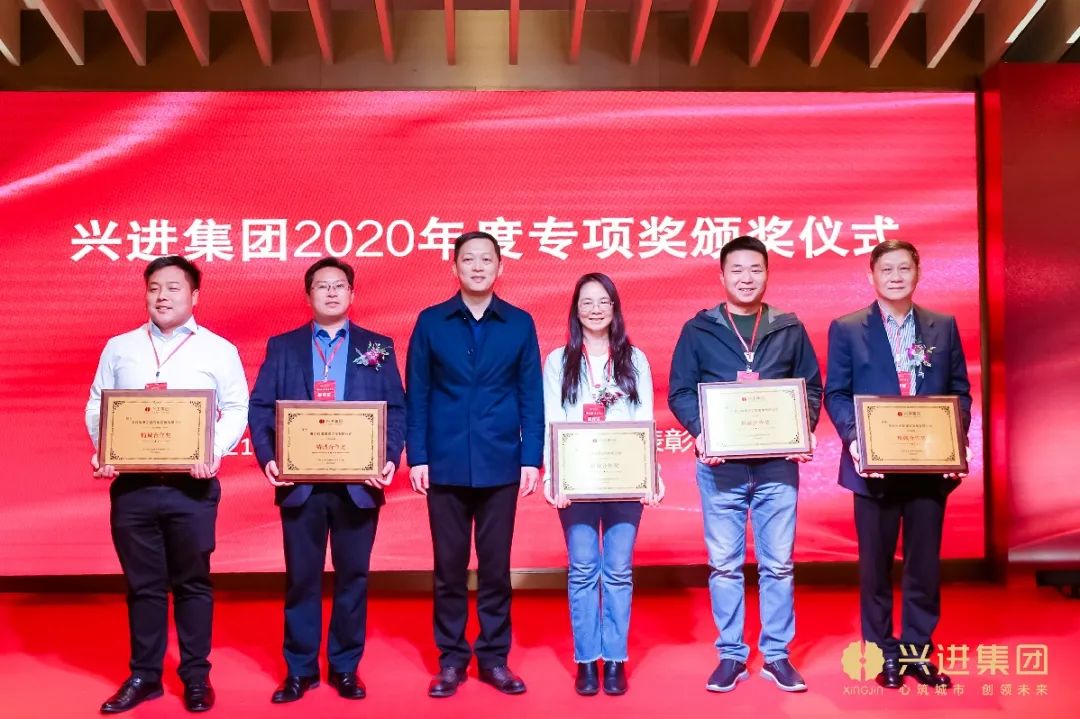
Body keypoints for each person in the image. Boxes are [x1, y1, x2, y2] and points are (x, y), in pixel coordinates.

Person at [86, 256, 249, 713]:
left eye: (174, 288)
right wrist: (106, 448)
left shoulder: (219, 349)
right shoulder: (120, 347)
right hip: (134, 488)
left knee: (193, 582)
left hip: (191, 490)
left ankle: (196, 676)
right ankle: (144, 675)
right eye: (154, 287)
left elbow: (237, 407)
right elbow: (98, 404)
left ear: (194, 296)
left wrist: (212, 451)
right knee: (143, 585)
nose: (162, 296)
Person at [668, 236, 822, 694]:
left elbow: (812, 387)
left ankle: (776, 655)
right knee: (724, 565)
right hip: (721, 467)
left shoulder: (788, 327)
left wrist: (804, 427)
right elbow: (680, 391)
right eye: (737, 269)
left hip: (777, 466)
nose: (746, 278)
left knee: (779, 565)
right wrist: (702, 432)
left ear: (767, 273)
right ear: (722, 275)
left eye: (755, 269)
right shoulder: (699, 330)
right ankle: (732, 655)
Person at [248, 257, 405, 704]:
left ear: (352, 294)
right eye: (322, 286)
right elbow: (261, 407)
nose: (331, 292)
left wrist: (388, 458)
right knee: (302, 579)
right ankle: (300, 670)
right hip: (301, 484)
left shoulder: (377, 347)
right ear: (308, 295)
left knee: (353, 578)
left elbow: (396, 408)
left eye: (339, 285)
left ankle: (345, 667)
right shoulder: (284, 346)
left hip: (359, 484)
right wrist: (269, 458)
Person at [824, 239, 972, 690]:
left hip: (928, 469)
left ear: (918, 272)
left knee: (924, 567)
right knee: (875, 568)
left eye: (903, 268)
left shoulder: (943, 326)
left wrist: (955, 439)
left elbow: (960, 392)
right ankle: (883, 653)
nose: (895, 276)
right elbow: (836, 393)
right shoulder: (848, 328)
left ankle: (917, 653)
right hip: (874, 470)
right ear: (871, 275)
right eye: (886, 269)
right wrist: (855, 439)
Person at [406, 231, 544, 698]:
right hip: (444, 463)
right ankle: (451, 660)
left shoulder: (519, 323)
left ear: (500, 267)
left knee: (495, 568)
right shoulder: (431, 322)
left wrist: (531, 458)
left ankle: (494, 658)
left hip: (501, 463)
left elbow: (531, 395)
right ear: (454, 267)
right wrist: (418, 455)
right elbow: (417, 393)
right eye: (469, 260)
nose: (478, 267)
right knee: (448, 568)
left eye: (487, 259)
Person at [541, 272, 664, 697]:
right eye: (587, 302)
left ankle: (614, 658)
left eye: (603, 302)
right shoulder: (559, 361)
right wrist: (553, 476)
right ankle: (585, 660)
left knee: (618, 571)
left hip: (625, 481)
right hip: (576, 482)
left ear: (615, 308)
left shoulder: (635, 360)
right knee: (581, 571)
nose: (595, 309)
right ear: (576, 310)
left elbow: (645, 419)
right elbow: (552, 421)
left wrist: (651, 475)